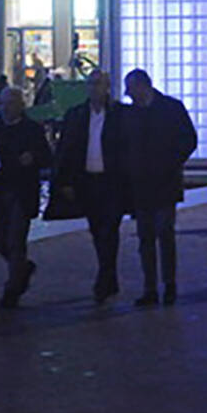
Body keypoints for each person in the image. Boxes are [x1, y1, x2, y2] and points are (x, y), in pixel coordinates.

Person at [119, 70, 197, 306]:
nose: (129, 95)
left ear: (143, 87)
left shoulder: (170, 109)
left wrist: (170, 163)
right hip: (142, 183)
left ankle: (167, 284)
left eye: (131, 89)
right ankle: (151, 286)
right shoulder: (132, 114)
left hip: (164, 181)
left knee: (163, 232)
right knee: (147, 236)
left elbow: (189, 140)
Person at [54, 69, 127, 303]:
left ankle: (104, 278)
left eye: (99, 84)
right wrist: (64, 180)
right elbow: (65, 149)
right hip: (87, 181)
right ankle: (109, 275)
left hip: (112, 181)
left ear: (107, 87)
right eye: (91, 84)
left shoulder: (119, 115)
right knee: (97, 230)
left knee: (109, 229)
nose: (95, 88)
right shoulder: (76, 115)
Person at [0, 86, 53, 309]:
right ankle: (21, 268)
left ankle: (12, 287)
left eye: (10, 103)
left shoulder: (32, 129)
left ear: (21, 105)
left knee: (15, 239)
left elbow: (47, 156)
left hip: (22, 190)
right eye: (2, 104)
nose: (6, 108)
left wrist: (34, 158)